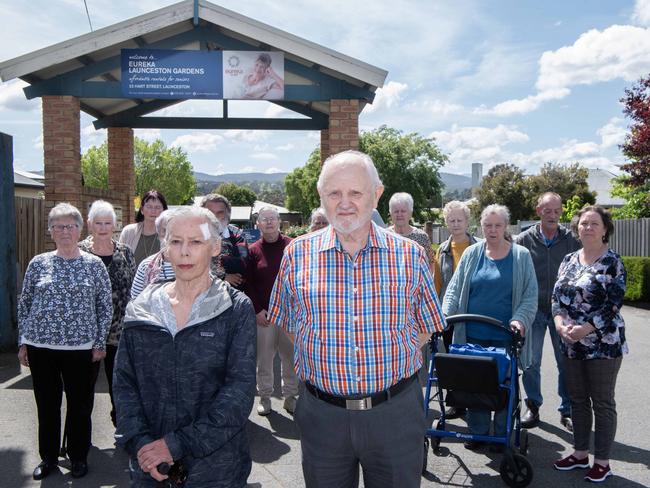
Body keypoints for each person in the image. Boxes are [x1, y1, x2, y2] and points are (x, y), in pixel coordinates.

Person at [268, 150, 445, 488]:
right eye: (334, 193)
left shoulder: (409, 254)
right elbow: (289, 321)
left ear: (376, 194)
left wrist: (394, 350)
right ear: (321, 197)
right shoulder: (297, 253)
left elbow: (427, 321)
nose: (344, 202)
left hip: (395, 413)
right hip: (322, 416)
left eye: (356, 192)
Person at [113, 206, 257, 487]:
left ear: (215, 247)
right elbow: (124, 384)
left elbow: (238, 394)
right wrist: (143, 446)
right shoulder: (142, 308)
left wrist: (176, 444)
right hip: (150, 464)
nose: (184, 251)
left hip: (216, 469)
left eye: (196, 242)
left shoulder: (235, 309)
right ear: (165, 249)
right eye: (176, 241)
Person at [17, 203, 112, 480]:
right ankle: (48, 458)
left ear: (80, 229)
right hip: (41, 347)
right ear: (51, 232)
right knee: (46, 405)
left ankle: (78, 456)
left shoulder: (93, 265)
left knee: (80, 406)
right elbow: (25, 304)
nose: (65, 231)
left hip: (81, 349)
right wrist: (23, 342)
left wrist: (99, 343)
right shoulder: (39, 263)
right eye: (58, 226)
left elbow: (105, 306)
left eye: (70, 226)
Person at [442, 204, 537, 452]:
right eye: (488, 225)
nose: (492, 230)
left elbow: (529, 296)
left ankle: (501, 433)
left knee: (503, 389)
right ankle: (479, 432)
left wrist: (519, 319)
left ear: (506, 227)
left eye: (497, 225)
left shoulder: (521, 256)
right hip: (472, 336)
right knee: (475, 388)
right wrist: (443, 316)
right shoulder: (472, 253)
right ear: (481, 226)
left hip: (504, 338)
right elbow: (454, 289)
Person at [552, 206, 627, 483]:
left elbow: (613, 305)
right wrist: (560, 324)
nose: (588, 228)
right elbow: (556, 298)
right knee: (578, 401)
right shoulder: (569, 259)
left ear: (605, 228)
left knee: (603, 402)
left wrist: (586, 328)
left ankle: (603, 462)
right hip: (571, 343)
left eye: (594, 223)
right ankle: (580, 453)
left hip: (603, 345)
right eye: (583, 223)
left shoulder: (613, 262)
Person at [515, 192, 581, 431]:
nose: (552, 215)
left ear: (561, 211)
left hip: (563, 313)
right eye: (547, 210)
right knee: (530, 363)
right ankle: (532, 407)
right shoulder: (523, 240)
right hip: (533, 312)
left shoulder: (573, 240)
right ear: (538, 211)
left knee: (566, 363)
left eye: (556, 210)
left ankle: (568, 410)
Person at [78, 200, 136, 427]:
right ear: (90, 224)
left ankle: (121, 426)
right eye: (98, 223)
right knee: (83, 386)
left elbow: (133, 289)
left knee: (119, 383)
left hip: (118, 331)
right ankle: (79, 433)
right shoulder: (79, 252)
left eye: (107, 223)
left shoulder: (125, 252)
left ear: (115, 225)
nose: (103, 228)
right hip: (87, 332)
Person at [245, 206, 298, 416]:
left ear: (279, 221)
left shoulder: (293, 246)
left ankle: (290, 397)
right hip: (264, 316)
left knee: (290, 358)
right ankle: (265, 397)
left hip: (288, 315)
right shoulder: (253, 251)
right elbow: (247, 283)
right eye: (264, 219)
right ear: (258, 224)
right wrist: (257, 310)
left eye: (272, 218)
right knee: (264, 359)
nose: (268, 222)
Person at [433, 200, 480, 419]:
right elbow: (437, 283)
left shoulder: (480, 247)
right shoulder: (442, 250)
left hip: (476, 314)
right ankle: (458, 402)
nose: (455, 224)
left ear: (467, 221)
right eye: (451, 220)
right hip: (451, 315)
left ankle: (478, 402)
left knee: (475, 359)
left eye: (459, 220)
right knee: (454, 359)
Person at [201, 193, 249, 290]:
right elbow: (192, 264)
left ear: (227, 214)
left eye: (220, 212)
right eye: (210, 212)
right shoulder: (193, 234)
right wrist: (222, 276)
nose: (214, 217)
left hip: (231, 295)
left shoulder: (237, 234)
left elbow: (241, 263)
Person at [130, 210, 175, 300]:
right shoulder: (146, 265)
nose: (169, 235)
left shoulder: (193, 265)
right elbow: (134, 302)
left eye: (174, 230)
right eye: (164, 230)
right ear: (158, 233)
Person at [119, 190, 168, 266]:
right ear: (142, 210)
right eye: (149, 207)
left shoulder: (169, 235)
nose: (153, 211)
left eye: (157, 207)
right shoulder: (128, 232)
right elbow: (120, 262)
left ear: (164, 211)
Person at [387, 192, 435, 269]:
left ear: (410, 213)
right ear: (390, 213)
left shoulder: (421, 237)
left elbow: (430, 264)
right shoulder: (384, 236)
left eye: (403, 211)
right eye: (396, 211)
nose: (399, 214)